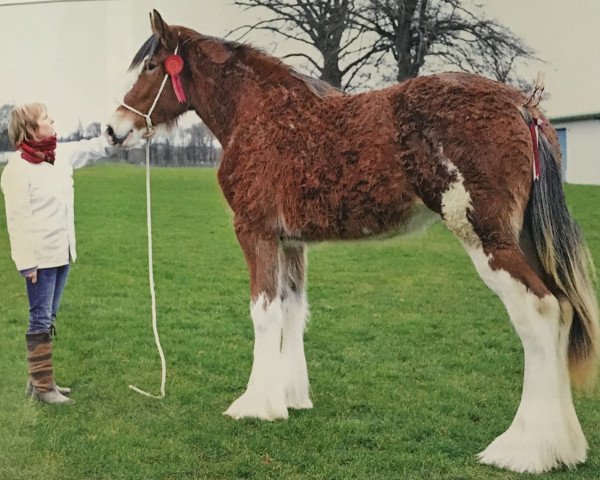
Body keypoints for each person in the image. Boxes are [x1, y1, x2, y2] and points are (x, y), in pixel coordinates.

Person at [1, 103, 109, 404]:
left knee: (48, 318)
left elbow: (93, 148)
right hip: (39, 260)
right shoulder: (17, 170)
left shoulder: (59, 156)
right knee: (39, 319)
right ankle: (44, 388)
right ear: (31, 129)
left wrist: (120, 135)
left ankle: (39, 380)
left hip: (62, 252)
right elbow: (18, 222)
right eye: (45, 119)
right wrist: (27, 264)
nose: (52, 121)